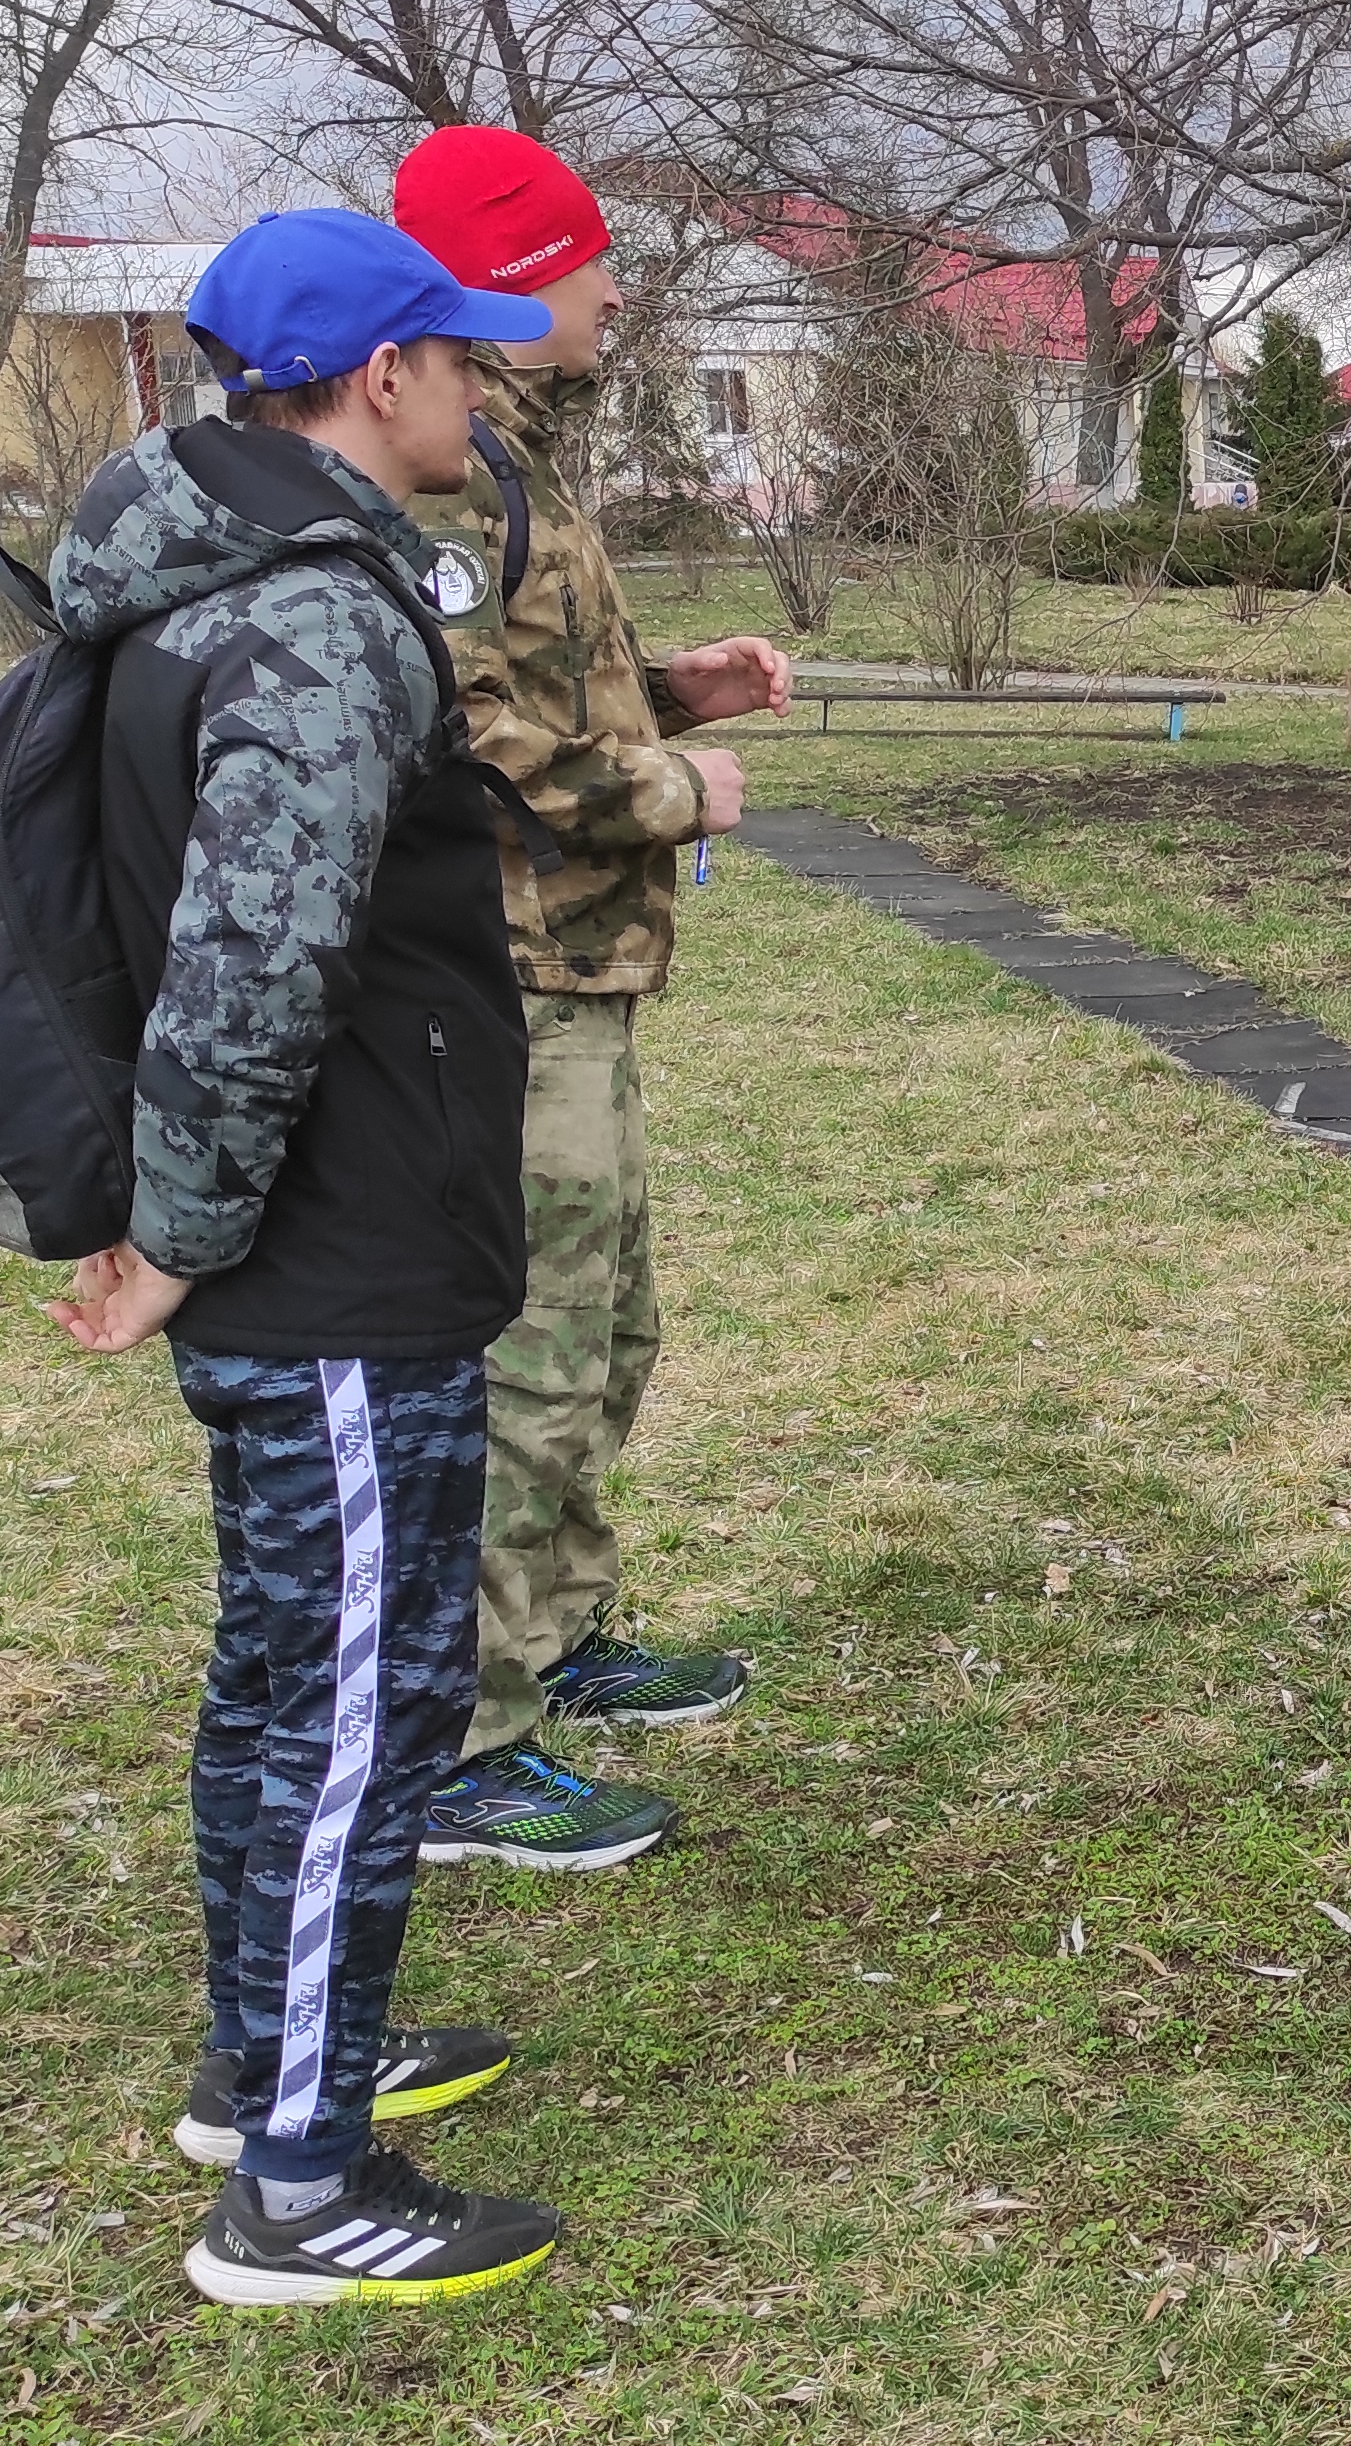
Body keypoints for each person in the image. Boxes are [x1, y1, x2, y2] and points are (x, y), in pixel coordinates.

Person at [40, 207, 567, 2302]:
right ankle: (297, 2183)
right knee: (358, 1704)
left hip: (311, 1253)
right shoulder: (322, 621)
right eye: (458, 360)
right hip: (336, 1268)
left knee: (282, 1680)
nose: (479, 392)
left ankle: (267, 2059)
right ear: (377, 383)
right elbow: (249, 966)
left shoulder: (202, 586)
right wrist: (175, 1237)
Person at [390, 126, 796, 1872]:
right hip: (510, 974)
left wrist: (669, 696)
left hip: (583, 966)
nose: (614, 289)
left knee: (605, 1327)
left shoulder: (514, 450)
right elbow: (468, 738)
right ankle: (463, 1739)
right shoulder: (434, 475)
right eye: (584, 262)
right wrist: (663, 792)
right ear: (499, 284)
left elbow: (552, 691)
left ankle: (557, 1636)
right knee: (530, 1352)